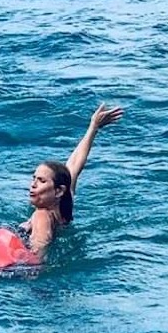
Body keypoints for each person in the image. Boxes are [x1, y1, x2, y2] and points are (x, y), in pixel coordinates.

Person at [19, 103, 123, 257]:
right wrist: (93, 127)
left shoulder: (42, 215)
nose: (32, 185)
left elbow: (39, 247)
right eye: (33, 179)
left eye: (41, 181)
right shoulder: (67, 200)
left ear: (58, 191)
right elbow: (74, 164)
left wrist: (31, 275)